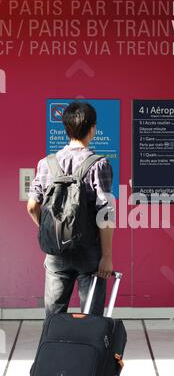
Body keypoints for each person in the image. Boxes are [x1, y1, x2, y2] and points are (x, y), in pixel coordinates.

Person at [27, 101, 115, 316]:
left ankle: (54, 349)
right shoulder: (98, 164)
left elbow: (32, 206)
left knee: (54, 317)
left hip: (56, 253)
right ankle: (87, 351)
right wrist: (107, 256)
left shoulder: (46, 163)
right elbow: (105, 213)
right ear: (92, 129)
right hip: (88, 251)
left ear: (66, 129)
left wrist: (52, 231)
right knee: (91, 318)